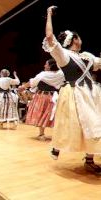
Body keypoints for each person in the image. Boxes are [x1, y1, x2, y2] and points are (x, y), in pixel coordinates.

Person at [44, 6, 101, 175]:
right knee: (84, 124)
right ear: (74, 39)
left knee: (95, 124)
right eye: (79, 37)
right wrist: (48, 14)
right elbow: (49, 37)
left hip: (91, 94)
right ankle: (58, 146)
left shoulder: (86, 56)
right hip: (77, 94)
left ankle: (89, 159)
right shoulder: (64, 55)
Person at [22, 59, 65, 140]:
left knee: (41, 113)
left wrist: (22, 87)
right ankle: (58, 133)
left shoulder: (43, 74)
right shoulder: (60, 74)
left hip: (42, 96)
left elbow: (32, 83)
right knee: (53, 115)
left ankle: (41, 134)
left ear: (50, 66)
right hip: (53, 97)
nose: (44, 66)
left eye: (46, 64)